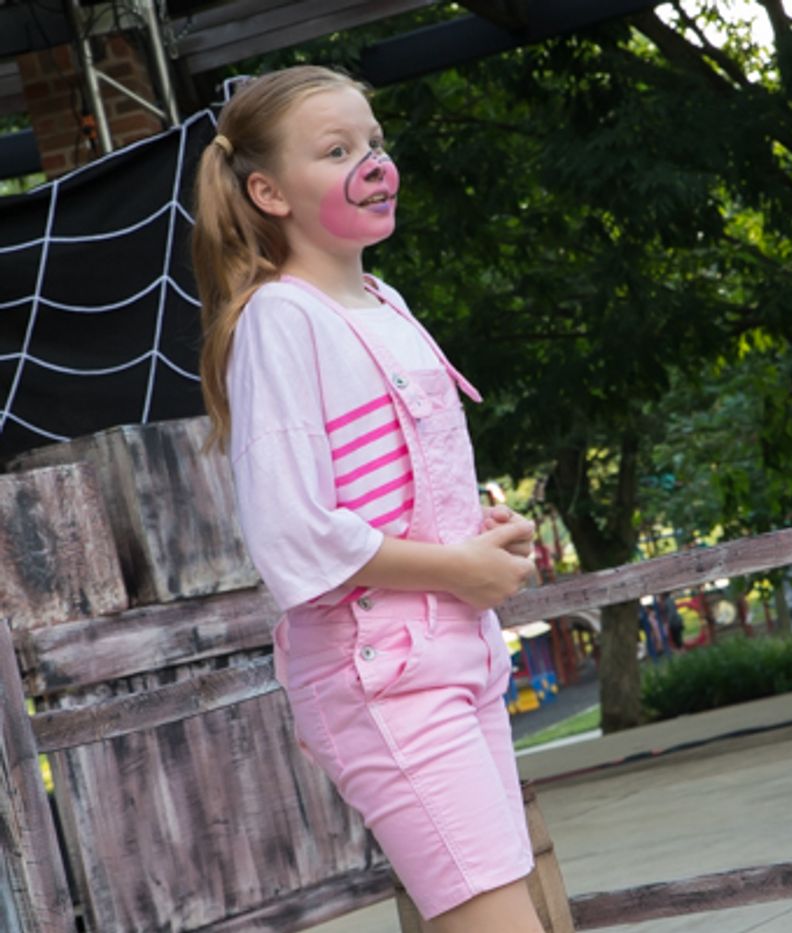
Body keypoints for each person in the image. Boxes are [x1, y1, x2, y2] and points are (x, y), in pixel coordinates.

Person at [193, 66, 544, 932]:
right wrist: (457, 568)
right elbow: (293, 534)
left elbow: (400, 489)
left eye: (375, 143)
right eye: (337, 150)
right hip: (381, 672)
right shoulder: (281, 319)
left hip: (460, 656)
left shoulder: (387, 302)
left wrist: (482, 534)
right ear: (269, 192)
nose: (372, 164)